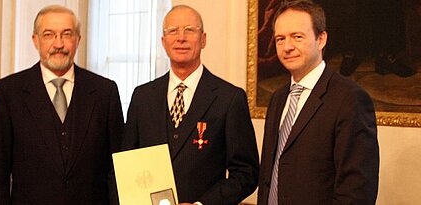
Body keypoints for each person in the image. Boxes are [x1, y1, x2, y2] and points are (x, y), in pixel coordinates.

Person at [0, 5, 124, 205]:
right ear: (36, 40)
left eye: (67, 34)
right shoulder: (8, 93)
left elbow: (118, 166)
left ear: (78, 39)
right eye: (49, 35)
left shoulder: (105, 92)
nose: (58, 44)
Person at [122, 5, 259, 205]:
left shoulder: (229, 98)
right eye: (172, 31)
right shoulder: (142, 96)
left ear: (203, 39)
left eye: (189, 30)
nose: (181, 38)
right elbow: (126, 163)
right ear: (163, 42)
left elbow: (246, 173)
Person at [257, 1, 379, 204]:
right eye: (280, 39)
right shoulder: (278, 97)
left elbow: (357, 192)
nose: (287, 47)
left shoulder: (350, 98)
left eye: (297, 37)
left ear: (321, 39)